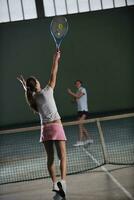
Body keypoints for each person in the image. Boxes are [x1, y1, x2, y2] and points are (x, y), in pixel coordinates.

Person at [17, 50, 67, 198]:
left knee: (50, 159)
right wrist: (55, 58)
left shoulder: (33, 100)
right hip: (56, 127)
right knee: (62, 157)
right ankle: (63, 183)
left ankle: (54, 183)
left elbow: (28, 94)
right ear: (37, 84)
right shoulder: (48, 90)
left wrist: (25, 88)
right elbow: (53, 72)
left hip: (45, 130)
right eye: (37, 80)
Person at [67, 80, 93, 146]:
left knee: (79, 124)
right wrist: (73, 100)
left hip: (84, 111)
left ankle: (80, 141)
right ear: (75, 85)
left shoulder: (83, 89)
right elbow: (76, 99)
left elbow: (78, 96)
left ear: (81, 84)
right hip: (79, 111)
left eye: (79, 83)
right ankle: (89, 139)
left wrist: (70, 93)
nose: (77, 84)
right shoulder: (77, 91)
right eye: (76, 84)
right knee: (81, 125)